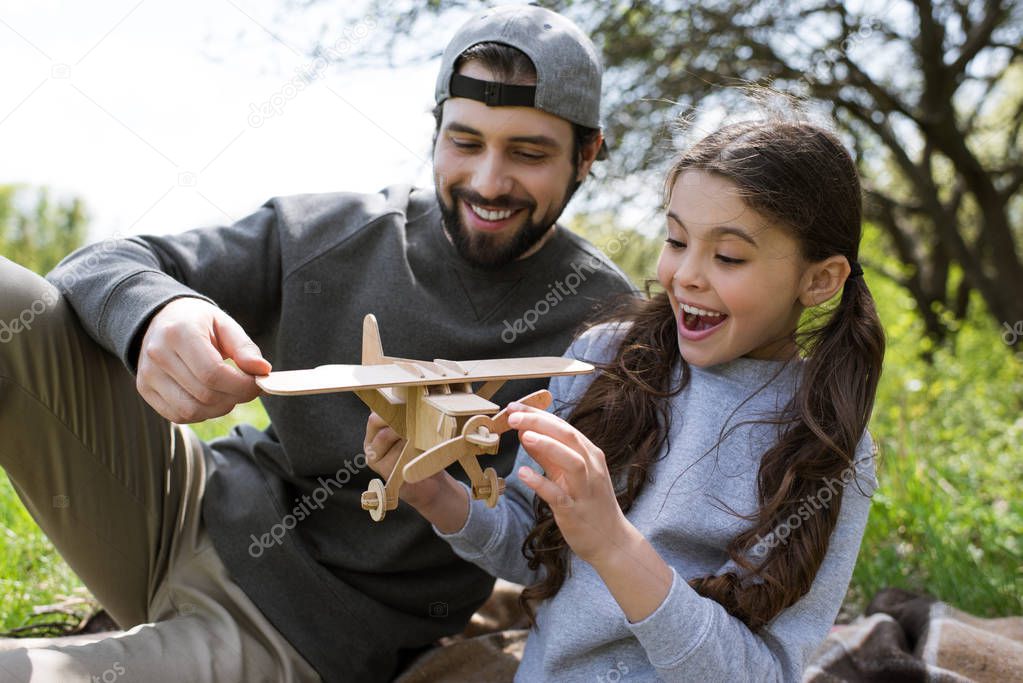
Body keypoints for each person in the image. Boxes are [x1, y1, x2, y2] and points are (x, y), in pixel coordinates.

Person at [0, 6, 634, 682]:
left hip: (298, 632)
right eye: (465, 141)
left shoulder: (614, 331)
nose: (487, 180)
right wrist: (160, 310)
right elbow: (102, 263)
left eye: (528, 153)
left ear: (587, 153)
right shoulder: (330, 230)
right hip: (184, 504)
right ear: (435, 130)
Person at [365, 118, 887, 681]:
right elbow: (532, 552)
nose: (684, 275)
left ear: (820, 280)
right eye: (676, 240)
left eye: (729, 257)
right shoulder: (603, 359)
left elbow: (761, 673)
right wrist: (435, 493)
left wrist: (615, 546)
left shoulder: (830, 447)